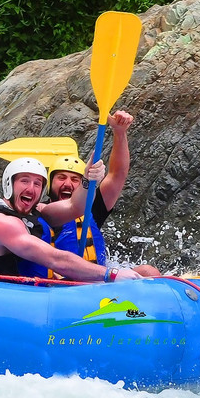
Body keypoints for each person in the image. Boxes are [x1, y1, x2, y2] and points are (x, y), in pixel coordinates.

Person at [0, 156, 143, 283]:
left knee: (147, 271)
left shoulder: (36, 210)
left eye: (37, 184)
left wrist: (87, 180)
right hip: (6, 299)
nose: (31, 188)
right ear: (9, 184)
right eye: (24, 181)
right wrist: (110, 274)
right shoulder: (2, 222)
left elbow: (75, 207)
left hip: (37, 290)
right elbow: (56, 260)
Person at [46, 110, 160, 276]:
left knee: (149, 271)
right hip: (63, 285)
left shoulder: (93, 207)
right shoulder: (42, 214)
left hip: (100, 280)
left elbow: (118, 174)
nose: (68, 184)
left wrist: (119, 132)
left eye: (75, 179)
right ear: (50, 184)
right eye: (61, 178)